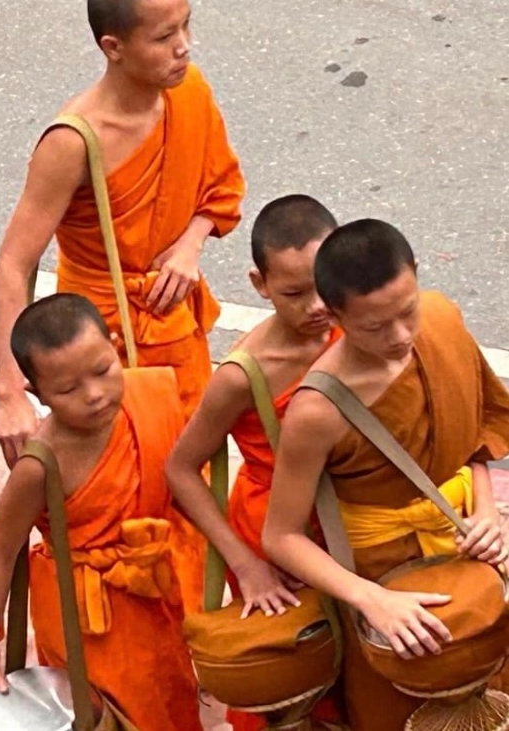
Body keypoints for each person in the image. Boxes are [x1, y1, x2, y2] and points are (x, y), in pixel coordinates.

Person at [0, 0, 245, 613]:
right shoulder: (73, 142)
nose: (183, 47)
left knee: (188, 486)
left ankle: (193, 634)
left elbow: (221, 187)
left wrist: (190, 242)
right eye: (164, 36)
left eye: (187, 28)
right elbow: (12, 269)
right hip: (102, 349)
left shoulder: (187, 92)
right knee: (121, 511)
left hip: (176, 333)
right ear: (113, 47)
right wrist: (9, 392)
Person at [261, 219, 509, 731]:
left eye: (406, 312)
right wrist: (372, 600)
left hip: (466, 554)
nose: (399, 336)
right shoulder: (318, 410)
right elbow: (280, 535)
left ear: (417, 279)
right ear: (334, 316)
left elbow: (475, 428)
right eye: (374, 327)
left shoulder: (441, 321)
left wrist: (485, 512)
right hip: (383, 581)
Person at [0, 293, 202, 730]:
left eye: (102, 371)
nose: (95, 395)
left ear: (116, 346)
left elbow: (187, 486)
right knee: (106, 715)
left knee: (168, 696)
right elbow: (2, 549)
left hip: (152, 587)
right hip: (83, 615)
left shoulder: (147, 397)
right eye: (68, 388)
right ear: (37, 392)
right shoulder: (39, 466)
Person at [165, 194, 343, 731]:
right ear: (259, 284)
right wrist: (246, 565)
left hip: (348, 514)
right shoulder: (243, 375)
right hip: (274, 532)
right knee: (292, 675)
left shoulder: (355, 324)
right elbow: (179, 468)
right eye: (294, 293)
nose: (316, 306)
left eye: (324, 286)